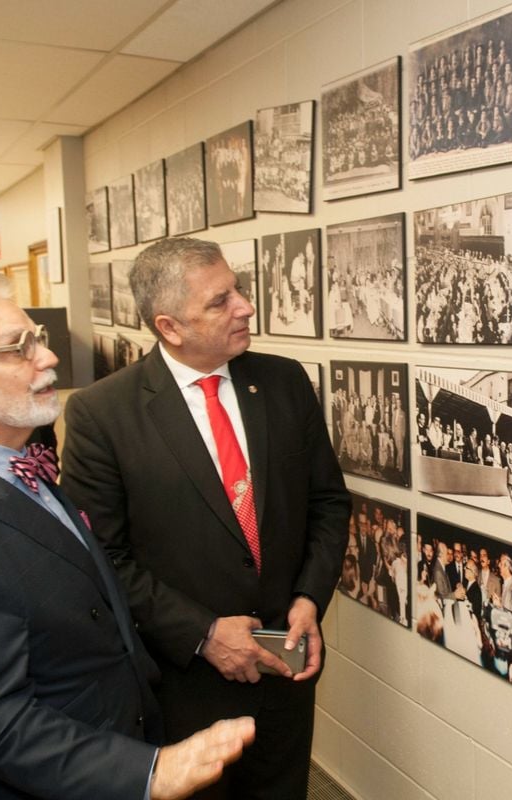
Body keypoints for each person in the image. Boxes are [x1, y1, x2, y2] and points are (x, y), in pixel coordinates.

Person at [0, 272, 254, 799]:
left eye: (39, 339)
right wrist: (149, 772)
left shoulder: (11, 464)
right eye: (18, 348)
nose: (48, 358)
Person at [62, 237, 351, 798]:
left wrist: (309, 599)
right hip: (184, 685)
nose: (245, 306)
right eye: (220, 301)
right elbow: (100, 557)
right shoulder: (103, 414)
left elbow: (327, 503)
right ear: (169, 327)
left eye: (237, 289)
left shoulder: (284, 382)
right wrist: (204, 633)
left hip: (285, 672)